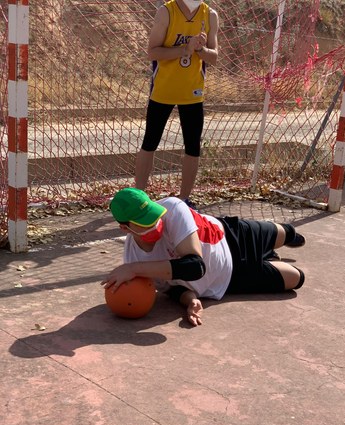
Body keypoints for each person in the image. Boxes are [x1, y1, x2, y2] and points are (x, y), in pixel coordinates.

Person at [102, 188, 306, 327]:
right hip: (230, 280)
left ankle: (280, 240)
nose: (156, 223)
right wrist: (191, 300)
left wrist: (135, 269)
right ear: (125, 228)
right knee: (297, 278)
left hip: (233, 236)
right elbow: (173, 288)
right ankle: (269, 257)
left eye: (154, 215)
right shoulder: (133, 258)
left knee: (287, 234)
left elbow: (194, 266)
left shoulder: (172, 208)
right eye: (146, 222)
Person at [135, 0, 219, 207]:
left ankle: (184, 200)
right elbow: (152, 52)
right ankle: (138, 199)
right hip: (163, 91)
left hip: (192, 93)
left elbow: (214, 57)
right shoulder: (166, 11)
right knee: (150, 142)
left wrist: (200, 50)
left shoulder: (210, 15)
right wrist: (185, 49)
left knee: (193, 146)